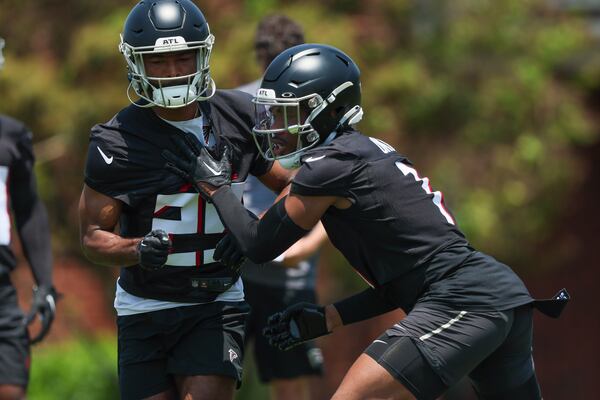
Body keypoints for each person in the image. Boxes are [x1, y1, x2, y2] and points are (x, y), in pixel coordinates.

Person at [164, 43, 570, 400]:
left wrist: (215, 186)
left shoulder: (328, 165)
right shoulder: (357, 153)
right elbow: (412, 281)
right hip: (496, 294)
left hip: (464, 301)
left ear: (329, 110)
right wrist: (330, 317)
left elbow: (258, 245)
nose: (276, 126)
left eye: (287, 112)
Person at [77, 1, 293, 399]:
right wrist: (138, 248)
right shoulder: (116, 141)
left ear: (203, 55)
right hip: (145, 306)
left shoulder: (239, 116)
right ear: (136, 64)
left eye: (183, 58)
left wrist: (255, 233)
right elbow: (92, 237)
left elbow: (296, 190)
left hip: (216, 299)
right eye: (158, 61)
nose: (174, 72)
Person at [236, 15, 327, 400]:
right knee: (213, 377)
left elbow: (335, 195)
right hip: (235, 274)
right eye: (269, 58)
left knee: (290, 386)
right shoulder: (236, 103)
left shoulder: (318, 113)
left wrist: (305, 248)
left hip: (290, 279)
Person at [0, 37, 58, 400]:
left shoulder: (11, 135)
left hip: (1, 288)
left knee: (11, 390)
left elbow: (30, 209)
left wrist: (44, 283)